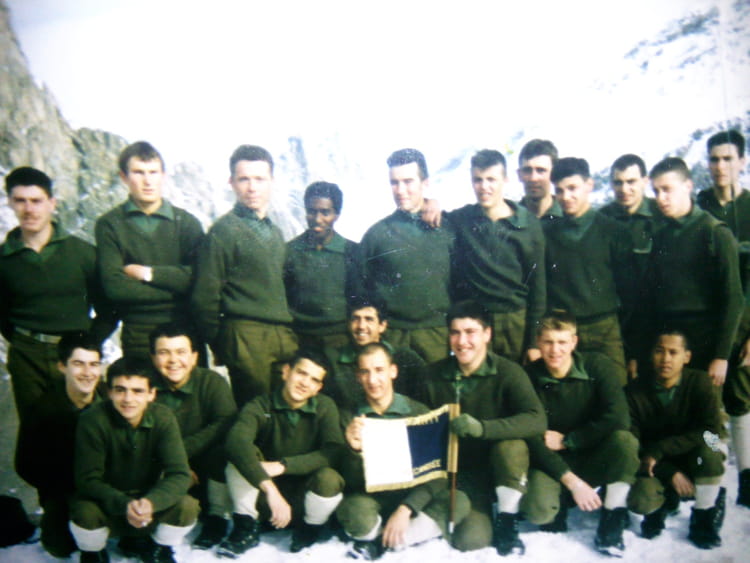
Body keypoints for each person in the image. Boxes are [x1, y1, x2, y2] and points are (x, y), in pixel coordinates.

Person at [417, 301, 546, 555]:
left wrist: (483, 429)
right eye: (455, 333)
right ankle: (481, 512)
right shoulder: (431, 375)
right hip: (462, 474)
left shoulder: (508, 372)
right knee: (471, 540)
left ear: (487, 334)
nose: (462, 341)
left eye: (470, 332)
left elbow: (536, 419)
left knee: (512, 446)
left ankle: (507, 519)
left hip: (499, 467)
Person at [1, 166, 115, 423]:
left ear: (51, 203)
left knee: (83, 425)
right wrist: (26, 341)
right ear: (10, 202)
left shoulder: (83, 254)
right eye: (20, 201)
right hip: (27, 357)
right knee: (35, 430)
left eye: (36, 201)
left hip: (75, 352)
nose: (29, 209)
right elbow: (3, 315)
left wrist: (87, 344)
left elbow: (110, 309)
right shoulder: (4, 260)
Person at [336, 343, 470, 559]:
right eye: (365, 372)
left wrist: (407, 508)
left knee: (458, 501)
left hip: (412, 497)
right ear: (358, 377)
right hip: (372, 499)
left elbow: (437, 474)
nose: (373, 380)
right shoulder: (349, 417)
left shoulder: (418, 412)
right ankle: (401, 535)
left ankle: (380, 542)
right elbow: (348, 482)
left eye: (379, 370)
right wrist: (353, 449)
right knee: (353, 512)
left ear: (393, 371)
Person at [521, 313, 639, 557]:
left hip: (590, 455)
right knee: (539, 511)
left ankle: (612, 517)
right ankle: (562, 500)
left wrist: (569, 440)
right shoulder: (528, 376)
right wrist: (572, 482)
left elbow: (619, 418)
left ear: (574, 342)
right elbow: (531, 436)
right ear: (538, 343)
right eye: (548, 342)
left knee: (624, 440)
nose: (555, 350)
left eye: (562, 342)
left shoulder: (597, 365)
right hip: (551, 463)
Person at [191, 144, 298, 407]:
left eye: (259, 179)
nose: (252, 188)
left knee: (285, 409)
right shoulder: (223, 232)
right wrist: (222, 343)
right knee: (256, 411)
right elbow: (205, 297)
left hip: (281, 335)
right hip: (246, 337)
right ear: (232, 182)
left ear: (271, 181)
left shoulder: (274, 231)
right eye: (244, 179)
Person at [69, 358, 199, 563]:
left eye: (138, 391)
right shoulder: (92, 420)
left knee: (187, 506)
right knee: (84, 513)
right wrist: (124, 504)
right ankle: (93, 553)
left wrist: (151, 502)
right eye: (120, 390)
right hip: (107, 501)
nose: (128, 399)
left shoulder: (163, 417)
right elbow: (87, 479)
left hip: (147, 502)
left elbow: (179, 474)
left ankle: (159, 548)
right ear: (109, 392)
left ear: (151, 394)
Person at [218, 349, 345, 557]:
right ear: (286, 372)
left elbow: (333, 452)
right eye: (301, 373)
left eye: (314, 380)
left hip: (303, 499)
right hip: (265, 501)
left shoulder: (325, 407)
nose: (305, 383)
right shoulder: (261, 404)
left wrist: (283, 466)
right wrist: (270, 489)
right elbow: (236, 442)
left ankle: (309, 530)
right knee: (241, 456)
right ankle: (246, 528)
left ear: (318, 388)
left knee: (329, 478)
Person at [95, 141, 204, 362]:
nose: (147, 181)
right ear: (124, 177)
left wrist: (148, 274)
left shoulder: (187, 224)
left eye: (153, 172)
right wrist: (177, 287)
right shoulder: (110, 225)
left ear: (163, 175)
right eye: (138, 172)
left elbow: (200, 280)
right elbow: (115, 288)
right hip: (138, 334)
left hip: (185, 333)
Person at [645, 157, 743, 385]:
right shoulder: (660, 235)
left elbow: (733, 298)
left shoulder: (715, 232)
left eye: (667, 189)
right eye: (656, 191)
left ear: (687, 186)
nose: (661, 198)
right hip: (667, 340)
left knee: (704, 403)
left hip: (705, 342)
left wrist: (721, 356)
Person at [626, 330, 726, 549]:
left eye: (673, 352)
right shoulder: (634, 390)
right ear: (651, 355)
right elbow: (633, 441)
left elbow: (711, 430)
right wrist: (669, 472)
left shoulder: (700, 382)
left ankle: (704, 513)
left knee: (711, 449)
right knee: (640, 500)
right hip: (655, 464)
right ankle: (663, 502)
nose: (666, 359)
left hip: (692, 455)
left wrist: (661, 449)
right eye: (659, 351)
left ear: (686, 357)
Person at [448, 149, 546, 363]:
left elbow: (538, 288)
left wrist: (533, 343)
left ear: (505, 180)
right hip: (475, 321)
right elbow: (434, 216)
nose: (484, 187)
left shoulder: (527, 224)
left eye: (491, 179)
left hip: (515, 322)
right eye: (478, 180)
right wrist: (430, 203)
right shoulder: (462, 219)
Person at [696, 130, 750, 507]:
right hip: (705, 321)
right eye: (714, 159)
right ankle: (711, 472)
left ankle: (746, 474)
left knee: (740, 398)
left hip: (745, 320)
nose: (720, 166)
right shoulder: (698, 206)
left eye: (728, 159)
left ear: (742, 162)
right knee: (706, 400)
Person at [358, 148, 454, 363]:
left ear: (425, 183)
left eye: (408, 182)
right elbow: (360, 287)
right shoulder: (377, 235)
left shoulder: (447, 228)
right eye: (394, 183)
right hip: (392, 336)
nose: (401, 190)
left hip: (437, 335)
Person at [15, 333, 106, 558]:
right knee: (59, 545)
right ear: (62, 367)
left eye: (94, 364)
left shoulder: (114, 398)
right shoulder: (43, 410)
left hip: (111, 483)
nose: (88, 373)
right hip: (67, 488)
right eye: (79, 364)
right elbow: (25, 465)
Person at [149, 323, 237, 549]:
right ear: (153, 358)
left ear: (195, 356)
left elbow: (224, 422)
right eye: (164, 352)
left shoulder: (211, 382)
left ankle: (217, 517)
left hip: (204, 463)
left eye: (181, 352)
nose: (173, 360)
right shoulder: (145, 386)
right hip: (162, 464)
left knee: (224, 451)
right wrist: (176, 464)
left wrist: (181, 455)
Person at [544, 157, 634, 378]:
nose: (566, 197)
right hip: (562, 330)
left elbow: (630, 293)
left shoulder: (614, 231)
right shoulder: (546, 233)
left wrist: (632, 348)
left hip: (604, 329)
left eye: (572, 188)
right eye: (559, 190)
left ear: (589, 185)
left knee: (614, 389)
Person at [284, 181, 359, 350]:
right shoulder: (289, 252)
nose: (317, 219)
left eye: (325, 212)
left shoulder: (353, 252)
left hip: (341, 339)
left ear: (337, 214)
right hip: (298, 339)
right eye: (312, 212)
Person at [324, 296, 424, 410]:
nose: (361, 326)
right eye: (355, 319)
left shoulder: (405, 359)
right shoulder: (332, 360)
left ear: (382, 326)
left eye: (369, 319)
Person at [517, 139, 563, 222]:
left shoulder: (570, 218)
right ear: (519, 175)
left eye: (541, 170)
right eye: (527, 170)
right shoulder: (507, 220)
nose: (533, 178)